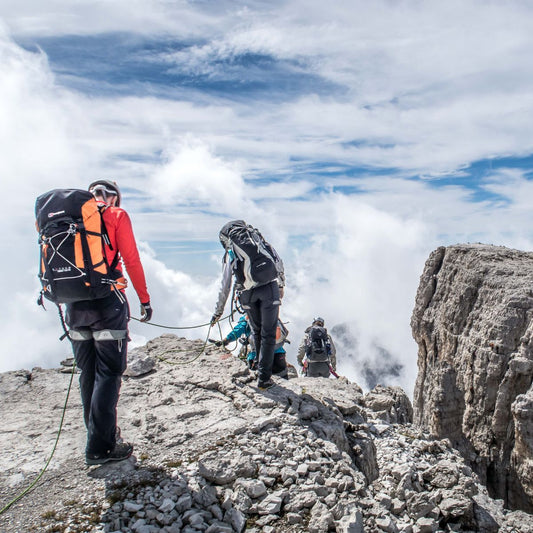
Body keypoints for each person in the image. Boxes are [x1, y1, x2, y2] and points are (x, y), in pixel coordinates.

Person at [65, 179, 152, 465]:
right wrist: (144, 299)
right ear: (114, 198)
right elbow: (131, 260)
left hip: (74, 307)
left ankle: (96, 435)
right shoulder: (115, 216)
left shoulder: (68, 219)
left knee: (87, 370)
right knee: (109, 372)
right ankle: (102, 446)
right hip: (107, 304)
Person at [211, 220, 285, 390]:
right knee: (268, 334)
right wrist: (281, 285)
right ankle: (264, 378)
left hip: (247, 293)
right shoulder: (258, 240)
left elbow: (225, 284)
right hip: (269, 289)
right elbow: (277, 261)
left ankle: (259, 372)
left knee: (256, 331)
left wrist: (218, 311)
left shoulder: (231, 251)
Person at [215, 314, 289, 379]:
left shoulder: (248, 316)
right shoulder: (270, 312)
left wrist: (226, 340)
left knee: (262, 387)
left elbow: (239, 330)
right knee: (283, 381)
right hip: (278, 355)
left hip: (258, 357)